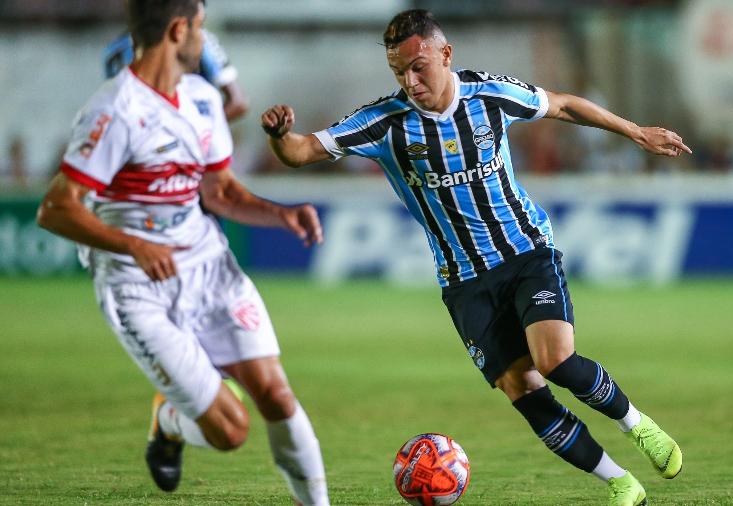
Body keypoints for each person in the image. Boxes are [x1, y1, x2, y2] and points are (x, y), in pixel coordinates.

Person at [261, 9, 688, 506]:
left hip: (525, 250)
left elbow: (564, 105)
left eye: (418, 67)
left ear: (445, 55)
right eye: (399, 72)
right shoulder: (384, 123)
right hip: (464, 281)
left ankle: (637, 425)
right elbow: (301, 151)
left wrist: (635, 132)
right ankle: (619, 482)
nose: (411, 81)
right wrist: (278, 135)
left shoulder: (489, 94)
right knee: (521, 387)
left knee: (554, 360)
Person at [37, 1, 328, 504]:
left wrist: (282, 213)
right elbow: (56, 209)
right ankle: (171, 419)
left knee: (276, 395)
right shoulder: (114, 110)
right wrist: (133, 243)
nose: (204, 38)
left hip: (206, 264)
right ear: (178, 30)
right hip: (136, 284)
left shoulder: (200, 98)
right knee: (230, 431)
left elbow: (221, 193)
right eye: (200, 27)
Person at [104, 24, 248, 121]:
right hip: (141, 148)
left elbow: (238, 103)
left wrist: (198, 131)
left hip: (194, 154)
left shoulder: (200, 39)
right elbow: (118, 109)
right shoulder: (116, 50)